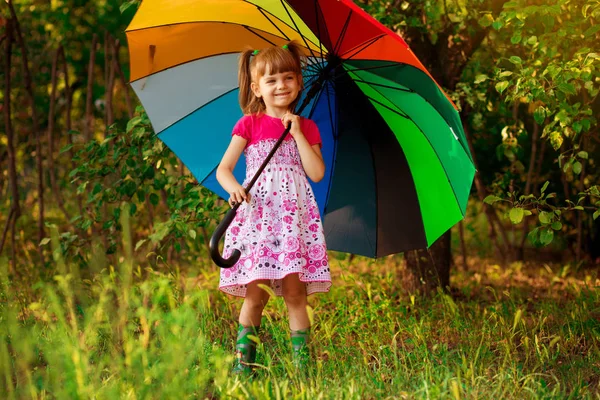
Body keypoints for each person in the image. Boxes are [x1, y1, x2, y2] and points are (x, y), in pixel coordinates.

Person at [216, 41, 331, 374]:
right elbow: (225, 169)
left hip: (292, 222)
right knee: (257, 295)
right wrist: (235, 188)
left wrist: (297, 134)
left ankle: (302, 370)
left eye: (287, 77)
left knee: (296, 295)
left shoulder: (306, 127)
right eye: (271, 80)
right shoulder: (249, 124)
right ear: (257, 88)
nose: (281, 85)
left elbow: (317, 172)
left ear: (298, 82)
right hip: (260, 220)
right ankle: (243, 366)